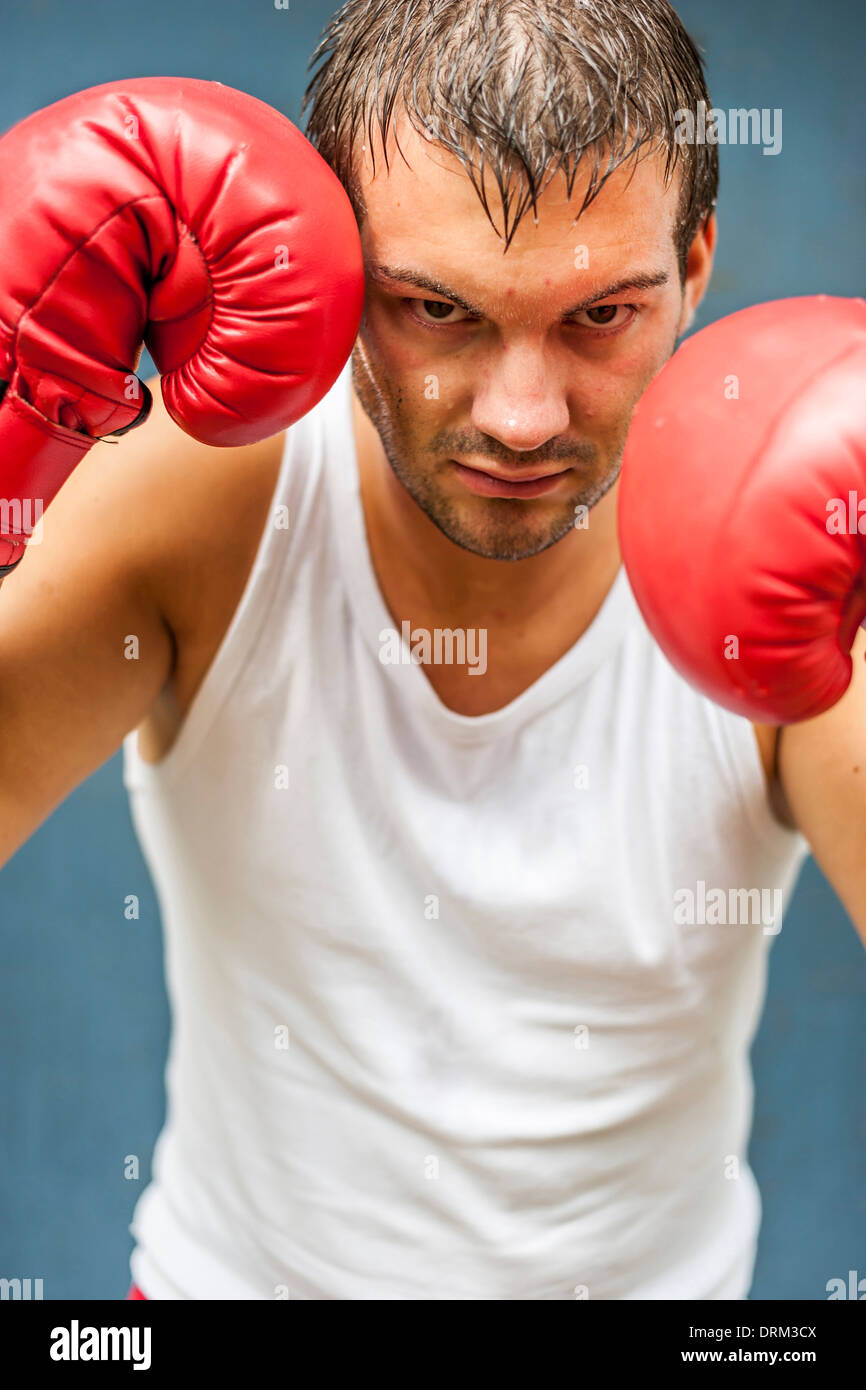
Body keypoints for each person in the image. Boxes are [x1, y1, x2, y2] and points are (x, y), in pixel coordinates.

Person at [1, 0, 863, 1301]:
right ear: (335, 269)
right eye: (436, 309)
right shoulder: (209, 495)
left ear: (695, 262)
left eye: (599, 317)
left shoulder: (802, 546)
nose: (522, 417)